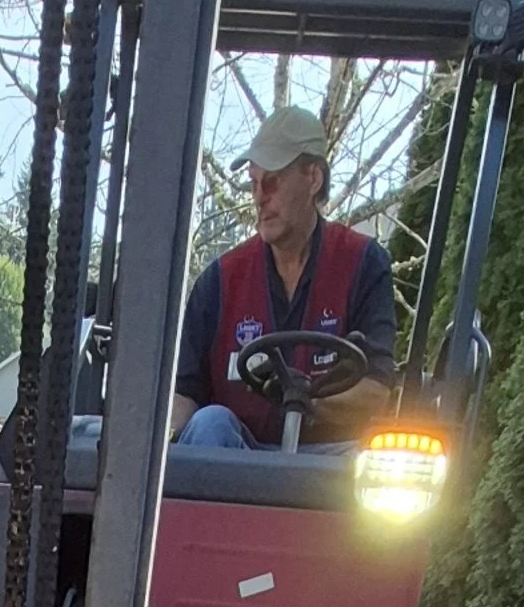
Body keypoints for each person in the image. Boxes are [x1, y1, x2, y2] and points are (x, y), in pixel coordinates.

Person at [169, 106, 395, 451]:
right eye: (254, 184)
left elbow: (376, 391)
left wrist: (304, 397)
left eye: (272, 183)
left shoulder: (362, 263)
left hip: (328, 459)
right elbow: (184, 395)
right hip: (238, 456)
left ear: (313, 179)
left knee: (379, 458)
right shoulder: (219, 282)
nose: (260, 198)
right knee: (210, 424)